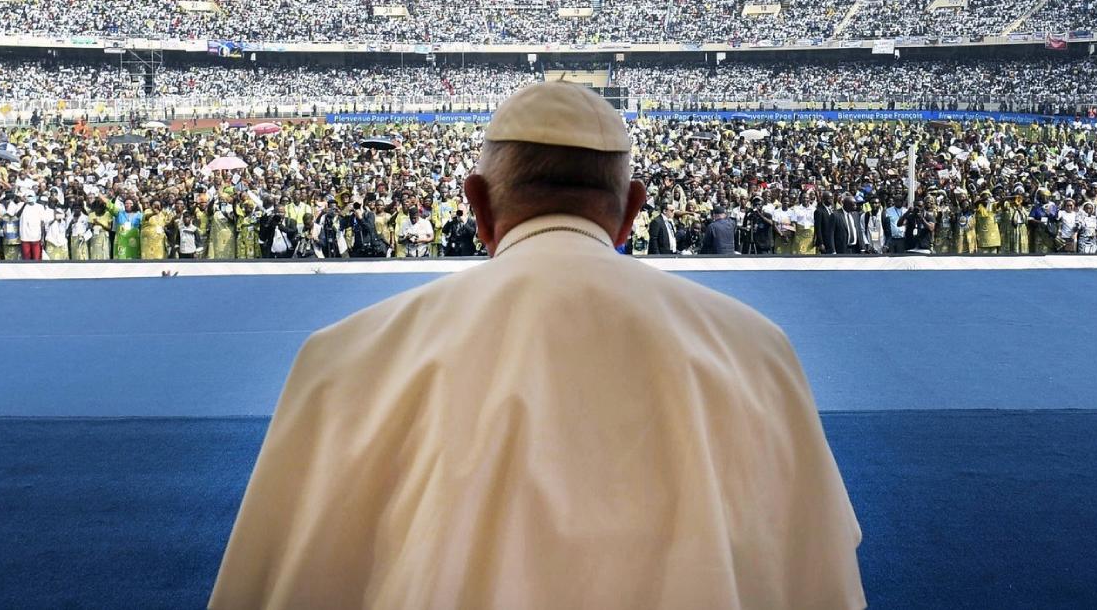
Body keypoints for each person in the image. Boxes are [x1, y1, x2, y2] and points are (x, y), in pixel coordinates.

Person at [211, 81, 864, 609]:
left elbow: (282, 581)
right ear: (631, 210)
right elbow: (818, 574)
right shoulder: (756, 351)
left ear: (478, 205)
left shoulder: (345, 359)